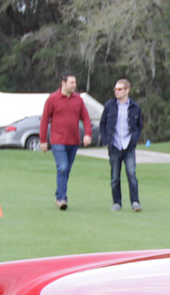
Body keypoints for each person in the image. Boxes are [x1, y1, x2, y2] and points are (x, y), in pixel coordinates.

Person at [41, 73, 94, 210]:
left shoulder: (78, 100)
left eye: (75, 83)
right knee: (63, 167)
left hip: (74, 140)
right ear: (63, 83)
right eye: (71, 83)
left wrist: (87, 133)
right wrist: (43, 140)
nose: (74, 85)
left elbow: (86, 118)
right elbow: (44, 120)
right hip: (58, 140)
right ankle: (62, 199)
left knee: (66, 170)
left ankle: (59, 195)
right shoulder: (52, 99)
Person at [99, 78, 143, 211]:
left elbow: (139, 125)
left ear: (127, 90)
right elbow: (103, 124)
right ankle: (116, 202)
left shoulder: (135, 107)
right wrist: (107, 141)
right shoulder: (109, 106)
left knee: (131, 174)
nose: (116, 92)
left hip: (128, 146)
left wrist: (134, 140)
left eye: (119, 89)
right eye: (115, 89)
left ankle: (135, 202)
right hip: (115, 145)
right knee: (114, 177)